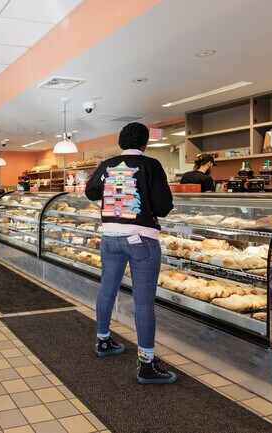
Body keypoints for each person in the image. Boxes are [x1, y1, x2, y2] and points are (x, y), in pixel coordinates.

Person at [85, 122, 177, 385]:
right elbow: (163, 206)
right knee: (144, 302)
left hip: (109, 238)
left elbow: (91, 192)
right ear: (145, 143)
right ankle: (146, 364)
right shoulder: (152, 165)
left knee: (107, 290)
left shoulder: (107, 164)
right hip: (142, 240)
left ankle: (103, 341)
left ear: (121, 142)